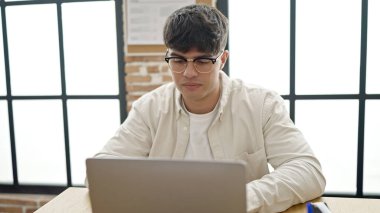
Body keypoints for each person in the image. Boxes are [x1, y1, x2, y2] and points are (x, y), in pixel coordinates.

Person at [94, 4, 326, 213]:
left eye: (203, 61)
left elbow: (308, 170)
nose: (189, 73)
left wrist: (238, 199)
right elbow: (100, 173)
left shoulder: (261, 104)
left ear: (223, 59)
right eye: (178, 60)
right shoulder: (150, 108)